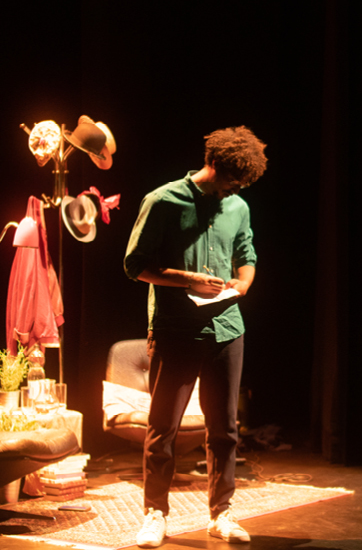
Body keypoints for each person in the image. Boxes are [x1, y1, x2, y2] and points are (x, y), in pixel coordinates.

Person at [124, 126, 268, 548]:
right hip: (175, 330)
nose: (234, 190)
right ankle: (155, 513)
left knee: (224, 429)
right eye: (231, 181)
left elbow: (246, 255)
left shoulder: (237, 206)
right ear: (214, 164)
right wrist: (187, 279)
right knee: (162, 429)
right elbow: (134, 265)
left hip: (227, 329)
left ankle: (221, 513)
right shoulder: (162, 201)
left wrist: (243, 284)